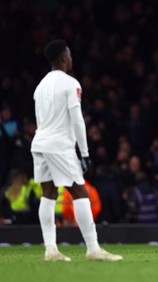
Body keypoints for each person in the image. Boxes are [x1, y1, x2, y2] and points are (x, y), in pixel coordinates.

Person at [31, 39, 122, 261]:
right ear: (63, 58)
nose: (71, 58)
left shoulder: (40, 86)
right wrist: (85, 153)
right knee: (80, 192)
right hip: (59, 145)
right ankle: (93, 249)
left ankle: (50, 250)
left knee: (48, 194)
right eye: (69, 55)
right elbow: (77, 119)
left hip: (40, 142)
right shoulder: (71, 83)